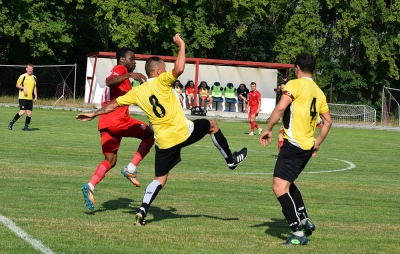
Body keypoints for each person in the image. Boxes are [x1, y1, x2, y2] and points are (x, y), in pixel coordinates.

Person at [76, 34, 248, 226]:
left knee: (159, 178)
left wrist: (93, 114)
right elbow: (180, 67)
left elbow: (114, 103)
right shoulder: (162, 81)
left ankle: (142, 210)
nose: (167, 70)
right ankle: (231, 161)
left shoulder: (137, 92)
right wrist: (181, 45)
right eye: (164, 68)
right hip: (183, 132)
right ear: (158, 71)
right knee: (213, 125)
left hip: (163, 142)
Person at [259, 53, 332, 245]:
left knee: (279, 187)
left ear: (297, 68)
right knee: (287, 183)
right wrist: (317, 143)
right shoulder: (319, 91)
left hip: (294, 145)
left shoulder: (294, 84)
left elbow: (280, 108)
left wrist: (268, 129)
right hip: (306, 146)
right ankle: (305, 219)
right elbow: (328, 121)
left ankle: (298, 234)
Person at [80, 47, 155, 211]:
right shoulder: (120, 70)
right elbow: (108, 81)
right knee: (150, 134)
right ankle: (131, 168)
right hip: (117, 119)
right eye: (132, 59)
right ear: (122, 59)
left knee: (110, 160)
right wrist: (129, 74)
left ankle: (90, 186)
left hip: (105, 122)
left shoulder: (124, 78)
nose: (134, 62)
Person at [8, 64, 38, 131]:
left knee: (29, 113)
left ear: (33, 69)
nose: (30, 70)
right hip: (22, 97)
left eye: (31, 69)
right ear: (26, 69)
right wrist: (23, 88)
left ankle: (26, 127)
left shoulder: (34, 77)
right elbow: (17, 85)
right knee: (22, 112)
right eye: (29, 68)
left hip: (30, 98)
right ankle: (11, 123)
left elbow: (34, 87)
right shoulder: (22, 76)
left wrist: (35, 96)